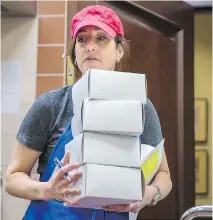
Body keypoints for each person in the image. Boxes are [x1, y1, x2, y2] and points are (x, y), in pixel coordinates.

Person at [5, 5, 172, 220]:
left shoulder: (141, 107)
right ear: (75, 53)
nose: (90, 47)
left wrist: (147, 194)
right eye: (82, 40)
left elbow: (163, 175)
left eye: (101, 38)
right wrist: (45, 190)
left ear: (119, 50)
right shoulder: (51, 105)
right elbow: (13, 177)